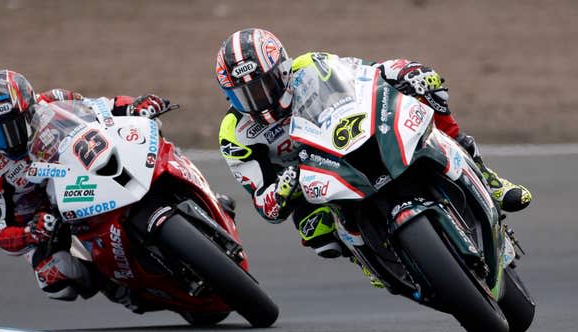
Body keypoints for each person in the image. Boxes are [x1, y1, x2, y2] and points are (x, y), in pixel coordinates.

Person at [214, 28, 532, 264]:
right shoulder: (235, 133)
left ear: (282, 69)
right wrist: (282, 188)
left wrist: (402, 71)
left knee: (426, 95)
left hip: (349, 141)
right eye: (245, 94)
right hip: (307, 182)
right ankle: (370, 259)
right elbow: (264, 205)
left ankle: (487, 179)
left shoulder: (311, 67)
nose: (260, 99)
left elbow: (367, 74)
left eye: (264, 85)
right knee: (318, 234)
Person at [0, 69, 170, 308]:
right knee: (52, 278)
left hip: (74, 175)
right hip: (40, 217)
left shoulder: (51, 101)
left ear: (30, 111)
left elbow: (101, 108)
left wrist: (134, 106)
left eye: (16, 126)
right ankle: (116, 287)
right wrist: (31, 232)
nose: (10, 140)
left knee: (142, 140)